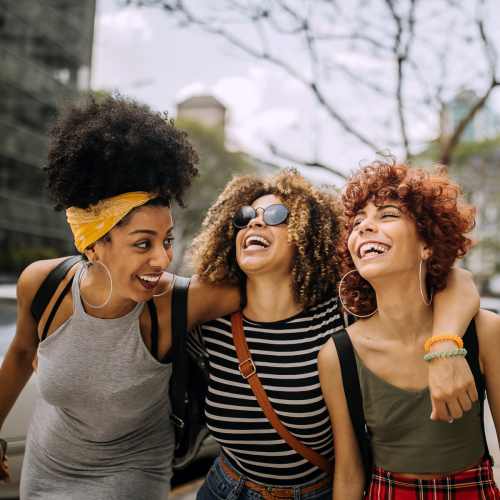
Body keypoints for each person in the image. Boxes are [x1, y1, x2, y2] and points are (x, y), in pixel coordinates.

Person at [189, 169, 482, 499]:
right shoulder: (211, 322)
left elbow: (458, 281)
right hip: (225, 488)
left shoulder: (342, 313)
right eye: (245, 216)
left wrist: (444, 344)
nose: (255, 223)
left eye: (275, 215)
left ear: (306, 231)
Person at [0, 95, 239, 500]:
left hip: (132, 476)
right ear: (95, 245)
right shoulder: (43, 285)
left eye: (166, 241)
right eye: (143, 244)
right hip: (45, 468)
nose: (162, 259)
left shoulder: (176, 303)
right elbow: (22, 354)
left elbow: (267, 285)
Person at [318, 160, 500, 499]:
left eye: (387, 215)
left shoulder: (484, 331)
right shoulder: (337, 355)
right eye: (357, 223)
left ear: (427, 245)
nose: (364, 228)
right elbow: (348, 473)